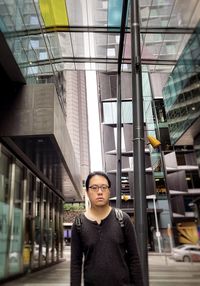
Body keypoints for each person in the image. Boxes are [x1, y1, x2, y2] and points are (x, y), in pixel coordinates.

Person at [70, 171, 144, 286]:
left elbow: (134, 259)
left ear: (109, 191)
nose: (100, 192)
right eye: (94, 188)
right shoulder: (79, 224)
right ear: (87, 192)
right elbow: (76, 264)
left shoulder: (123, 219)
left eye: (104, 187)